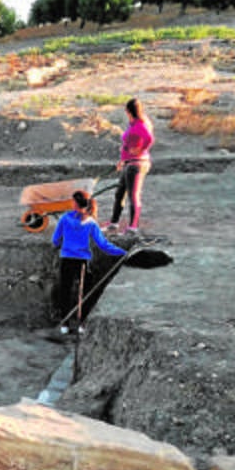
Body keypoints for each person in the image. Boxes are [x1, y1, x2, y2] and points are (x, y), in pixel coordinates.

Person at [52, 190, 126, 335]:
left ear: (76, 204)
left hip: (67, 259)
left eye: (72, 201)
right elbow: (103, 245)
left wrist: (61, 243)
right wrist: (122, 252)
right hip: (83, 261)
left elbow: (55, 240)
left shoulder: (65, 219)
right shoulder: (91, 222)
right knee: (84, 293)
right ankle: (82, 323)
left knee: (65, 291)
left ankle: (65, 324)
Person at [107, 98, 155, 235]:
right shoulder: (133, 123)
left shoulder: (140, 124)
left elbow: (149, 138)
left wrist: (140, 150)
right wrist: (122, 160)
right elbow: (128, 144)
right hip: (128, 163)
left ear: (129, 111)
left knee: (133, 195)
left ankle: (133, 227)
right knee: (119, 193)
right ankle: (114, 223)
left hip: (136, 164)